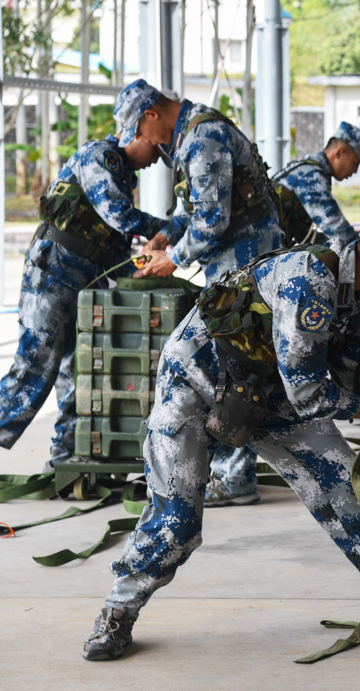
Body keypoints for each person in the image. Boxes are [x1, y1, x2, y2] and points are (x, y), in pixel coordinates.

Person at [82, 206, 360, 661]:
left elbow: (352, 375)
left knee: (348, 489)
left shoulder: (357, 296)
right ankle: (117, 612)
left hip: (265, 388)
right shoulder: (310, 284)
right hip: (195, 383)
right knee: (178, 521)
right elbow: (307, 391)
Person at [114, 78, 282, 507]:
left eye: (137, 131)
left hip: (245, 271)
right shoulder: (192, 135)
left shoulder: (203, 138)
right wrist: (162, 239)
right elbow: (190, 212)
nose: (142, 142)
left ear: (152, 113)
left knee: (238, 366)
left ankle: (237, 477)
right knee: (230, 364)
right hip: (232, 269)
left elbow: (210, 222)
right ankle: (230, 469)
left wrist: (174, 257)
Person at [0, 133, 167, 469]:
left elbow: (113, 239)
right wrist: (169, 230)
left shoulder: (123, 172)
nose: (157, 159)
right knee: (35, 365)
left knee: (80, 367)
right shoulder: (100, 156)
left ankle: (67, 454)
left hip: (83, 276)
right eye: (156, 148)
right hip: (54, 269)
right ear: (138, 132)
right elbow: (119, 216)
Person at [274, 122, 360, 247]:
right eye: (355, 163)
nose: (355, 171)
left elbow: (303, 234)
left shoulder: (313, 170)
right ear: (338, 153)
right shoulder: (311, 176)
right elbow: (337, 228)